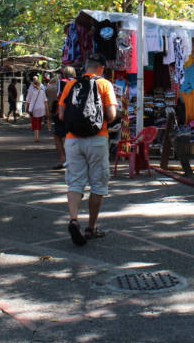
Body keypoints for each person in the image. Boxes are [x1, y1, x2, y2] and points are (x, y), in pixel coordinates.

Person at [58, 53, 117, 245]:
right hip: (97, 139)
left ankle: (74, 219)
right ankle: (91, 228)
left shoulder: (70, 84)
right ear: (101, 68)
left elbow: (61, 115)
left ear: (86, 67)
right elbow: (111, 114)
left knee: (75, 183)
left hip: (72, 140)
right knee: (98, 185)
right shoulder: (104, 84)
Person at [51, 66, 77, 170]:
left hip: (61, 111)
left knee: (58, 136)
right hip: (75, 113)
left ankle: (62, 158)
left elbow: (58, 96)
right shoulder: (77, 82)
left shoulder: (61, 82)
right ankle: (73, 159)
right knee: (72, 136)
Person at [25, 75, 50, 142]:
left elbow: (28, 101)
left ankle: (36, 137)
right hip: (41, 109)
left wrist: (26, 109)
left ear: (33, 85)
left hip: (34, 109)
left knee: (35, 122)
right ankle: (37, 135)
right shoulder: (42, 91)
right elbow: (45, 102)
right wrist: (47, 110)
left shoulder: (31, 91)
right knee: (39, 122)